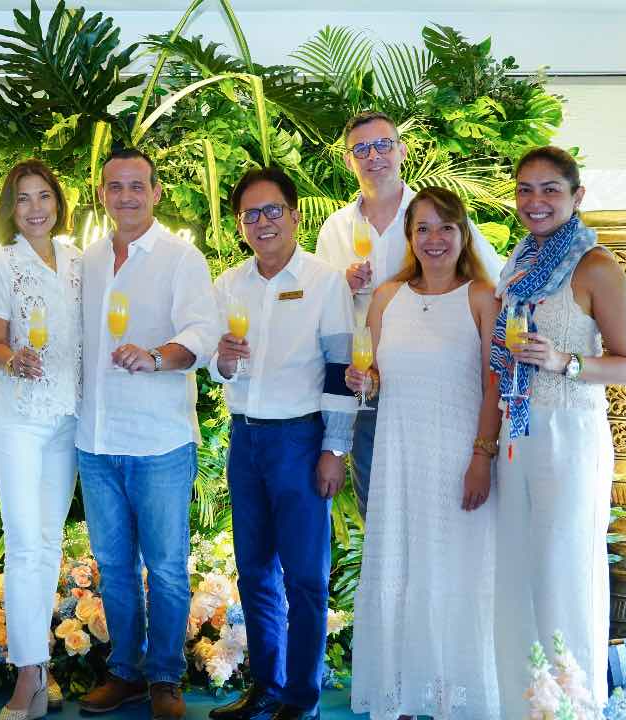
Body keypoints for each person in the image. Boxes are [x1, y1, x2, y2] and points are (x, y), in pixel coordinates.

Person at [492, 147, 626, 717]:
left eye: (550, 189)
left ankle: (574, 706)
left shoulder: (595, 265)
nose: (535, 201)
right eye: (525, 189)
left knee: (564, 571)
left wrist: (565, 361)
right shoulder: (519, 262)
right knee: (518, 571)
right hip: (518, 431)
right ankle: (523, 705)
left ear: (577, 196)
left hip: (569, 434)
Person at [346, 187, 502, 719]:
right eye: (423, 229)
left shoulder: (482, 297)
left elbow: (494, 385)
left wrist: (481, 457)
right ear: (410, 238)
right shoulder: (388, 298)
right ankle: (404, 697)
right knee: (403, 572)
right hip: (398, 457)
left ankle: (455, 701)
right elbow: (376, 377)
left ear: (463, 233)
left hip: (458, 458)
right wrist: (363, 382)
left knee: (456, 573)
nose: (435, 239)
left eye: (446, 228)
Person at [207, 168, 355, 720]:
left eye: (273, 210)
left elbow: (341, 369)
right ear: (240, 224)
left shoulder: (325, 281)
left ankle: (302, 698)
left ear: (294, 215)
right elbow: (217, 365)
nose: (262, 222)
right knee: (254, 572)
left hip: (301, 438)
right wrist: (222, 362)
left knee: (306, 578)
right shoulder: (228, 285)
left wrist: (333, 449)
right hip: (245, 439)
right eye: (251, 214)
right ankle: (266, 688)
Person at [76, 148, 217, 720]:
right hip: (95, 440)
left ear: (156, 193)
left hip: (159, 441)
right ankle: (125, 673)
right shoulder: (87, 261)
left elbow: (202, 334)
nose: (126, 196)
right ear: (102, 195)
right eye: (116, 186)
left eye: (138, 186)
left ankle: (164, 676)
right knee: (113, 566)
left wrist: (156, 357)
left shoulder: (181, 258)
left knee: (165, 568)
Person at [315, 111, 503, 518]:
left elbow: (496, 282)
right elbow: (320, 315)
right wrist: (340, 287)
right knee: (380, 508)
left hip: (441, 388)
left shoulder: (435, 215)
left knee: (444, 507)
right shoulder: (334, 230)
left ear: (401, 151)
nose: (374, 156)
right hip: (369, 386)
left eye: (383, 144)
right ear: (349, 160)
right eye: (361, 149)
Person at [0, 160, 81, 720]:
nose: (35, 207)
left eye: (44, 196)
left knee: (48, 541)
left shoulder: (79, 261)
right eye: (23, 198)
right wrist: (10, 358)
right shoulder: (2, 264)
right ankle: (27, 676)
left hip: (68, 416)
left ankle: (41, 665)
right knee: (23, 544)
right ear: (10, 208)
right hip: (18, 416)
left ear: (58, 203)